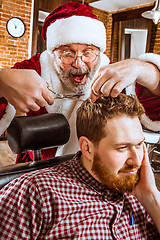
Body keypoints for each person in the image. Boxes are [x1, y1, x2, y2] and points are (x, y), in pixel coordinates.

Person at [0, 2, 159, 163]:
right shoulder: (36, 67)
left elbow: (153, 106)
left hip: (93, 168)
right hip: (38, 165)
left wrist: (144, 69)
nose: (79, 64)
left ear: (98, 51)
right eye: (67, 53)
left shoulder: (110, 72)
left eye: (88, 52)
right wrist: (2, 79)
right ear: (54, 53)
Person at [0, 94, 160, 239]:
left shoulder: (139, 190)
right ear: (87, 148)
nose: (136, 160)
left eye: (139, 144)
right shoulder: (35, 193)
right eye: (122, 148)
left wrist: (151, 196)